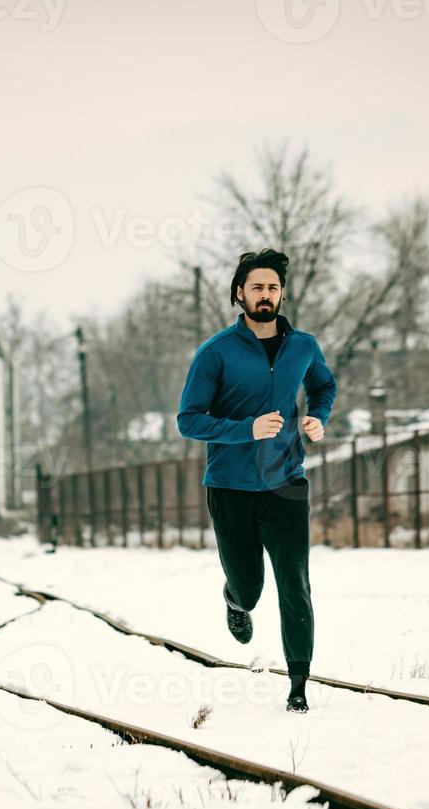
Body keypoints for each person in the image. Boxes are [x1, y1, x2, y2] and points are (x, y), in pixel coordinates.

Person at [176, 249, 338, 713]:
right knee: (250, 586)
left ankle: (298, 686)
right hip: (230, 486)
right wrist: (243, 430)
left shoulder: (303, 346)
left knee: (295, 582)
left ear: (281, 293)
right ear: (239, 294)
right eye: (256, 287)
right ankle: (234, 599)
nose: (265, 295)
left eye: (272, 287)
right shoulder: (215, 352)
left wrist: (316, 417)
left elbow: (324, 386)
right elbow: (188, 420)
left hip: (286, 482)